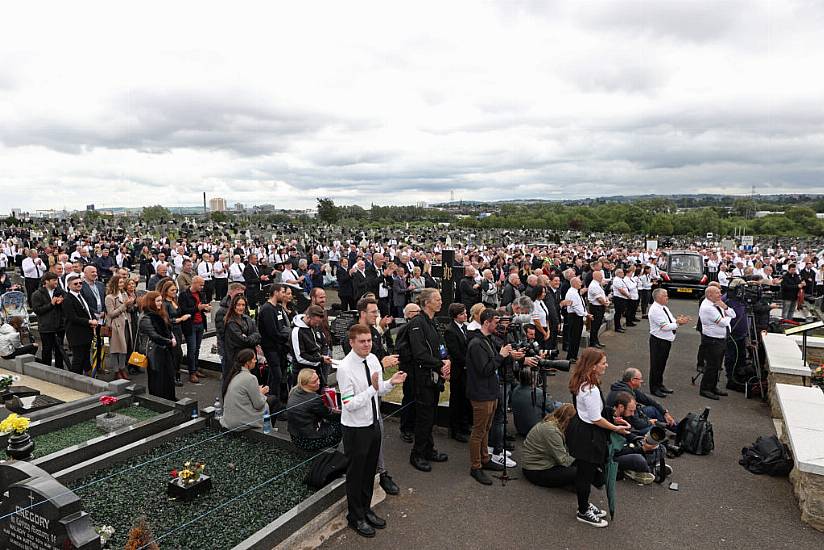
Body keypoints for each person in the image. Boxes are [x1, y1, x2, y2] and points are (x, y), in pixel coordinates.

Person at [337, 323, 406, 538]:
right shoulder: (345, 368)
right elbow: (348, 403)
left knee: (369, 471)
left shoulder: (373, 359)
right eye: (362, 341)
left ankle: (365, 509)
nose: (367, 344)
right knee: (356, 474)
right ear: (351, 343)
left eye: (369, 340)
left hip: (373, 422)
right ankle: (354, 516)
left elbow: (379, 388)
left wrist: (390, 383)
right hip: (356, 428)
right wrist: (373, 389)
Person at [565, 348, 630, 528]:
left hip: (581, 430)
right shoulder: (591, 389)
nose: (606, 365)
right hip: (589, 436)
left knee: (584, 472)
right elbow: (596, 418)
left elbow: (593, 413)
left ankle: (584, 505)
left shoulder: (581, 382)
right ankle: (583, 510)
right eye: (603, 363)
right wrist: (616, 427)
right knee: (585, 474)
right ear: (593, 367)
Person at [408, 288, 451, 472]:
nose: (441, 302)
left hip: (434, 377)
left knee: (430, 416)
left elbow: (439, 346)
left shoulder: (432, 322)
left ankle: (428, 449)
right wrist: (440, 364)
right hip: (423, 377)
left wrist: (446, 360)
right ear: (426, 302)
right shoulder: (417, 323)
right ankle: (417, 454)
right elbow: (419, 353)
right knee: (424, 417)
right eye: (437, 299)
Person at [521, 403, 578, 489]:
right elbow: (563, 460)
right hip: (535, 470)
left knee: (580, 463)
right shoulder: (552, 432)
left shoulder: (551, 422)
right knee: (578, 471)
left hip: (538, 463)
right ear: (568, 420)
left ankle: (594, 478)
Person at [605, 368, 676, 435]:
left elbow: (648, 400)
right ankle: (679, 431)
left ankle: (680, 429)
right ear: (633, 380)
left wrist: (665, 413)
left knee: (652, 410)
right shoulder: (626, 396)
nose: (642, 381)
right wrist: (649, 422)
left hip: (630, 419)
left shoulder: (626, 388)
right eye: (640, 379)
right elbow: (635, 421)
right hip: (623, 426)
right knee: (655, 430)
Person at [647, 288, 690, 397]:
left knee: (662, 364)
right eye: (665, 296)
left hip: (665, 341)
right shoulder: (655, 310)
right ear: (658, 297)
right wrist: (679, 323)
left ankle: (659, 384)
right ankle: (654, 388)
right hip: (658, 341)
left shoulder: (664, 308)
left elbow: (671, 321)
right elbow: (665, 326)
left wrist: (678, 321)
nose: (667, 297)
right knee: (656, 365)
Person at [257, 283, 293, 414]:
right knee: (276, 376)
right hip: (271, 347)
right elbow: (273, 332)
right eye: (282, 292)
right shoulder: (267, 309)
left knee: (275, 377)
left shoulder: (277, 308)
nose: (284, 295)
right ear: (276, 292)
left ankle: (273, 402)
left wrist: (285, 334)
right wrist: (284, 336)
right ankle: (274, 407)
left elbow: (283, 326)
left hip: (280, 348)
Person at [287, 368, 342, 451]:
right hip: (308, 441)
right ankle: (330, 454)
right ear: (305, 384)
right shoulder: (313, 399)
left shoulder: (293, 391)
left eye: (318, 379)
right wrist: (344, 413)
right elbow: (330, 415)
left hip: (295, 436)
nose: (318, 383)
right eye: (314, 382)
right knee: (340, 425)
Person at [138, 291, 177, 401]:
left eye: (161, 300)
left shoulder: (159, 313)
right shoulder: (146, 317)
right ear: (151, 302)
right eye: (158, 301)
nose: (160, 303)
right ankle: (158, 400)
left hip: (164, 349)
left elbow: (167, 327)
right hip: (154, 351)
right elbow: (153, 335)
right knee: (158, 377)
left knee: (168, 375)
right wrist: (169, 341)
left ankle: (169, 397)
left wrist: (172, 337)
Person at [698, 285, 735, 400]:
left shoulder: (717, 304)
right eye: (717, 293)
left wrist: (725, 307)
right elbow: (723, 323)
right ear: (709, 295)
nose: (720, 295)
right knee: (712, 365)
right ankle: (705, 389)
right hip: (713, 339)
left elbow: (733, 314)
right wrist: (728, 318)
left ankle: (713, 386)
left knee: (717, 365)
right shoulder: (707, 307)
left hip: (720, 338)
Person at [220, 348, 269, 431]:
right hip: (239, 422)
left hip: (229, 418)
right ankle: (267, 431)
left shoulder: (234, 374)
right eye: (254, 359)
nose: (256, 361)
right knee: (269, 403)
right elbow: (258, 404)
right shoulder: (251, 378)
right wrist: (261, 393)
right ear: (247, 363)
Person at [444, 303, 472, 443]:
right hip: (458, 371)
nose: (465, 315)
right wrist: (468, 362)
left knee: (465, 400)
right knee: (457, 400)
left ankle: (464, 425)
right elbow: (455, 353)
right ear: (455, 316)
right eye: (462, 314)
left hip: (466, 371)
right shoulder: (450, 330)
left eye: (465, 312)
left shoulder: (465, 328)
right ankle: (455, 430)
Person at [512, 367, 563, 436]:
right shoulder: (538, 393)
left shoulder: (515, 390)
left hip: (520, 428)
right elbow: (552, 409)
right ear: (533, 379)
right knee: (562, 407)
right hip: (535, 430)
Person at [290, 304, 332, 389]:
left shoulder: (312, 326)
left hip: (315, 371)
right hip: (302, 374)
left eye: (318, 323)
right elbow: (300, 357)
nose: (316, 325)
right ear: (308, 317)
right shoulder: (296, 331)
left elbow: (318, 345)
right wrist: (320, 359)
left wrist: (321, 357)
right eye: (315, 322)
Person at [179, 276, 211, 384]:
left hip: (200, 323)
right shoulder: (184, 295)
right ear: (194, 283)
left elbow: (203, 304)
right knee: (191, 349)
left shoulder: (201, 293)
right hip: (190, 324)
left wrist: (206, 307)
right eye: (200, 285)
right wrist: (198, 308)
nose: (202, 287)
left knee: (197, 348)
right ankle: (191, 372)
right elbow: (183, 310)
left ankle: (195, 369)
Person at [62, 273, 97, 375]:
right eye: (75, 283)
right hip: (76, 333)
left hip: (86, 332)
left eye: (80, 283)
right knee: (78, 358)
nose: (78, 285)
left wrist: (94, 318)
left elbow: (88, 311)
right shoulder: (68, 299)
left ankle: (88, 375)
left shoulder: (81, 296)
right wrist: (89, 321)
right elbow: (72, 318)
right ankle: (74, 380)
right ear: (69, 286)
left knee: (86, 356)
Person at [397, 302, 421, 443]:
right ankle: (405, 428)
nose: (419, 313)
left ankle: (414, 426)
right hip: (409, 369)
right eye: (416, 311)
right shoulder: (405, 328)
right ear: (408, 314)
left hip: (418, 369)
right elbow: (401, 349)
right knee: (409, 398)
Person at [31, 272, 65, 369]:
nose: (56, 282)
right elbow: (37, 310)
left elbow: (66, 305)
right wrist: (51, 304)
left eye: (57, 280)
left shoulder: (60, 291)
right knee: (47, 350)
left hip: (59, 326)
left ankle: (60, 370)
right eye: (54, 280)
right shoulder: (37, 294)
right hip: (46, 327)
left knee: (59, 350)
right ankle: (47, 370)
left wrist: (61, 302)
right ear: (46, 281)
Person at [104, 275, 136, 380]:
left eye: (122, 282)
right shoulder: (109, 297)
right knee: (115, 350)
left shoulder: (124, 294)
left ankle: (122, 368)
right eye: (120, 282)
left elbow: (129, 309)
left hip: (127, 323)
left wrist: (131, 303)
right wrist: (124, 305)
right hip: (116, 326)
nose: (122, 284)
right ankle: (117, 370)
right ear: (115, 284)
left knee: (124, 348)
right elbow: (111, 313)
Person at [159, 280, 189, 386]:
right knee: (175, 353)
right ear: (166, 291)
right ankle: (174, 376)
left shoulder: (174, 301)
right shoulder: (164, 303)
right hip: (171, 330)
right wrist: (180, 319)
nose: (174, 292)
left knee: (177, 354)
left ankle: (176, 374)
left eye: (175, 290)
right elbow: (166, 320)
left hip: (178, 329)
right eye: (172, 290)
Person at [223, 294, 261, 371]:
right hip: (238, 359)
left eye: (243, 305)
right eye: (238, 305)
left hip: (250, 357)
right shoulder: (231, 322)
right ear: (234, 306)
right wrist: (251, 337)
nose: (241, 307)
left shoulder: (247, 318)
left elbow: (258, 335)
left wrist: (248, 337)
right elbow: (243, 341)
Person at [564, 277, 590, 363]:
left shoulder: (575, 292)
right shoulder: (572, 293)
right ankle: (571, 356)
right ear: (574, 283)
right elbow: (575, 307)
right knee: (574, 337)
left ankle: (574, 355)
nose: (581, 284)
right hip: (574, 316)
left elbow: (580, 305)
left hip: (577, 316)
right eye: (579, 282)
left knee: (577, 337)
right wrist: (585, 314)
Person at [586, 271, 609, 349]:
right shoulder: (594, 285)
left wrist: (606, 300)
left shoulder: (597, 284)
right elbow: (599, 298)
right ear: (595, 276)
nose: (602, 277)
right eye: (600, 276)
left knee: (598, 325)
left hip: (599, 307)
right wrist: (605, 303)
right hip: (596, 308)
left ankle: (596, 341)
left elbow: (602, 294)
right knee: (595, 326)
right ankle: (593, 342)